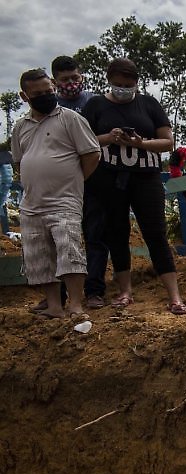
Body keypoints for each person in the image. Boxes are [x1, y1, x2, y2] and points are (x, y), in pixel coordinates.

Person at [81, 57, 186, 314]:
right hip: (108, 178)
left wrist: (141, 143)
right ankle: (125, 291)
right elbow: (83, 140)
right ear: (108, 80)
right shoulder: (96, 105)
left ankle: (174, 296)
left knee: (155, 234)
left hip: (145, 178)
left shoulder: (149, 104)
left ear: (137, 83)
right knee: (116, 233)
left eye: (128, 85)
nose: (123, 89)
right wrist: (109, 138)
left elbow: (167, 142)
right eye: (117, 84)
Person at [10, 68, 100, 319]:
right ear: (24, 96)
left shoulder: (70, 118)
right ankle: (53, 305)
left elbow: (92, 154)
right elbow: (19, 161)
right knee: (39, 256)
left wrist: (75, 180)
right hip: (32, 202)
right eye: (37, 93)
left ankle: (75, 305)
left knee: (69, 249)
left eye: (48, 91)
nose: (46, 96)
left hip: (65, 200)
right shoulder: (20, 127)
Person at [52, 54, 101, 310]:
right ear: (55, 81)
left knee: (94, 235)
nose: (71, 83)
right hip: (61, 179)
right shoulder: (50, 106)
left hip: (91, 175)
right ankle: (57, 296)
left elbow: (99, 136)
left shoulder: (93, 101)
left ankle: (94, 291)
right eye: (65, 79)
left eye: (75, 77)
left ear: (81, 76)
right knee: (60, 238)